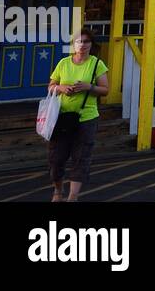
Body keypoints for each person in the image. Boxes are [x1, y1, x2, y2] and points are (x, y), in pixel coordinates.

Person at [47, 29, 109, 201]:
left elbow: (105, 90)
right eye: (78, 41)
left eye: (86, 42)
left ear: (91, 45)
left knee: (81, 158)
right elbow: (51, 86)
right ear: (73, 45)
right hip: (61, 117)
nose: (82, 45)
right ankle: (58, 191)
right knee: (56, 158)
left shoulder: (97, 64)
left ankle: (73, 197)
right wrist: (61, 88)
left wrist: (89, 87)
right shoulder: (63, 63)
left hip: (86, 118)